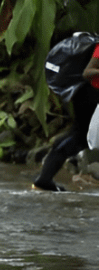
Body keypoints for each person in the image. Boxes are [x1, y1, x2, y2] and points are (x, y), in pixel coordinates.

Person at [33, 43, 99, 192]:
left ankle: (45, 178)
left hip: (91, 97)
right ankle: (44, 178)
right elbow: (87, 72)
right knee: (79, 137)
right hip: (91, 96)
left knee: (79, 137)